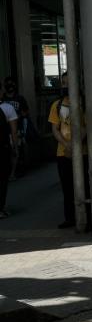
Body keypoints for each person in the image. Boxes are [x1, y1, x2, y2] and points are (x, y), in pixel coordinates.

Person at [48, 71, 90, 229]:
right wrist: (67, 145)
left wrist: (77, 144)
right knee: (67, 187)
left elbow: (87, 127)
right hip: (63, 153)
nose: (65, 86)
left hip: (83, 151)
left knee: (84, 185)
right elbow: (54, 128)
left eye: (69, 83)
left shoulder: (83, 103)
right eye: (63, 83)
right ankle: (70, 218)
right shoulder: (57, 105)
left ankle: (87, 217)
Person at [2, 76, 30, 179]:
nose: (10, 86)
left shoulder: (20, 98)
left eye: (12, 83)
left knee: (17, 147)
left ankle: (16, 170)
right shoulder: (3, 98)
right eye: (7, 84)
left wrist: (21, 115)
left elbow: (26, 111)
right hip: (5, 128)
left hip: (17, 127)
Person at [0, 80, 19, 219]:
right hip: (3, 148)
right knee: (2, 179)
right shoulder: (7, 108)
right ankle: (1, 208)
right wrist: (15, 147)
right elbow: (13, 130)